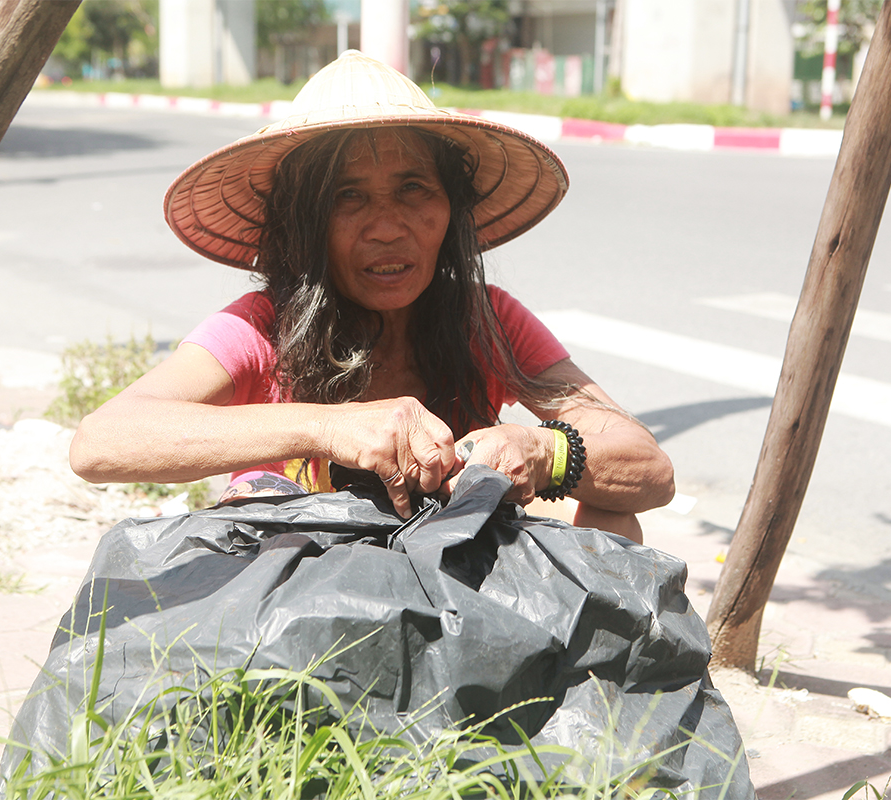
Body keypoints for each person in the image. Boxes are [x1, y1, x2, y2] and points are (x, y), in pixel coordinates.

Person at [69, 50, 673, 544]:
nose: (387, 227)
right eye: (347, 197)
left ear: (451, 210)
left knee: (613, 515)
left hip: (454, 612)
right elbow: (101, 443)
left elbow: (647, 467)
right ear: (303, 225)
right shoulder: (259, 330)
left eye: (414, 189)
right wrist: (328, 429)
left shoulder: (487, 321)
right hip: (302, 633)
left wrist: (541, 449)